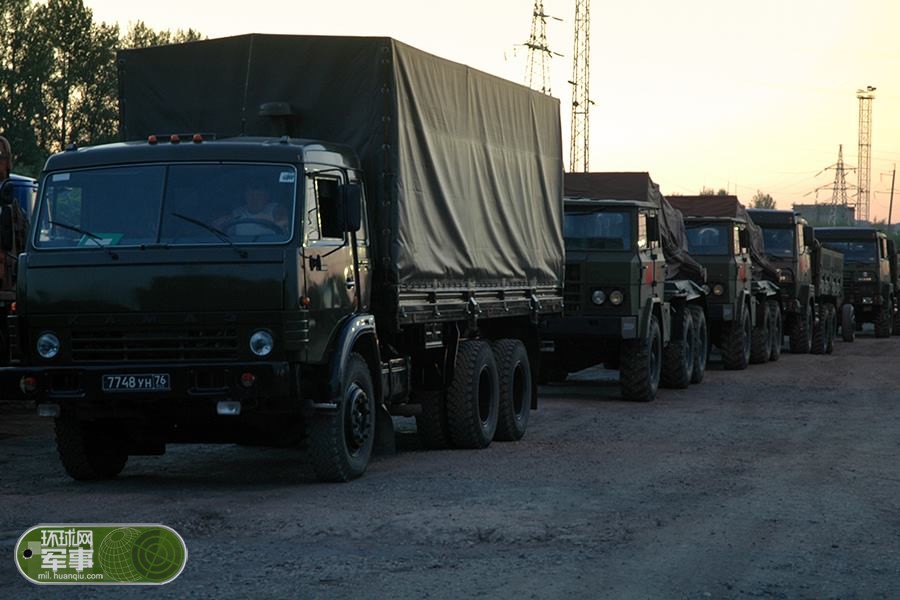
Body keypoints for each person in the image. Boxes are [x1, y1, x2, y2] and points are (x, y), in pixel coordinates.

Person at [214, 183, 288, 235]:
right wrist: (219, 225)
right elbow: (221, 229)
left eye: (258, 195)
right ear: (245, 196)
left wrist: (272, 222)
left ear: (267, 196)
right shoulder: (238, 212)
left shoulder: (275, 209)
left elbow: (285, 225)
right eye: (250, 195)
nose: (254, 199)